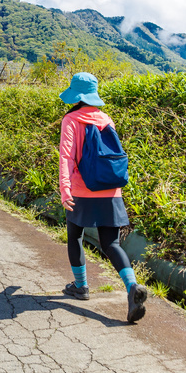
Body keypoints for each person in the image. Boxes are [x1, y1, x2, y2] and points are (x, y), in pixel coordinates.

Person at [58, 72, 148, 323]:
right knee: (112, 244)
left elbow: (66, 157)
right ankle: (132, 288)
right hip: (110, 190)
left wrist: (65, 190)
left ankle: (81, 286)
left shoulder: (71, 119)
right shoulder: (105, 118)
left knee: (75, 235)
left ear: (76, 95)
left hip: (81, 189)